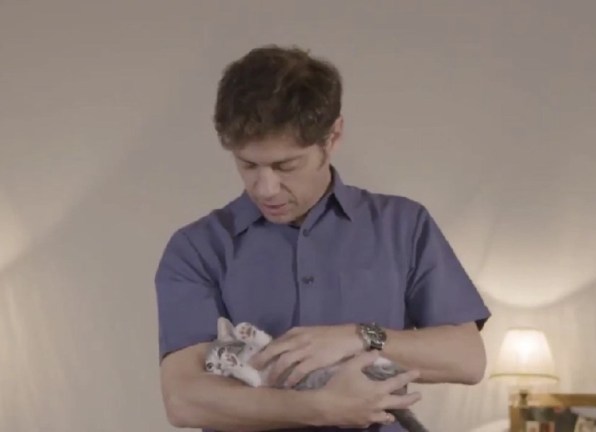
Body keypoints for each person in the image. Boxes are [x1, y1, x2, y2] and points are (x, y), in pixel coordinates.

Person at [154, 44, 492, 432]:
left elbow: (467, 359)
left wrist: (360, 337)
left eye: (285, 165)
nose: (265, 188)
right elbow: (184, 399)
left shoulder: (403, 225)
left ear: (333, 137)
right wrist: (320, 408)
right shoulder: (197, 249)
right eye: (248, 164)